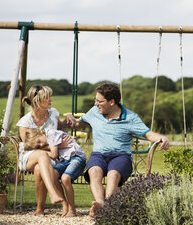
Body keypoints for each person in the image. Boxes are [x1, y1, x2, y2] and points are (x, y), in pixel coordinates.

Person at [71, 83, 170, 218]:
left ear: (112, 102)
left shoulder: (130, 117)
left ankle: (108, 206)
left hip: (120, 156)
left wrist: (162, 137)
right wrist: (67, 122)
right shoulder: (95, 112)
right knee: (94, 171)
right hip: (99, 155)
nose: (95, 104)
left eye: (99, 101)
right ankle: (100, 204)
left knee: (113, 174)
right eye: (96, 100)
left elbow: (148, 134)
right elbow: (79, 123)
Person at [16, 84, 76, 216]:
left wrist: (69, 117)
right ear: (37, 100)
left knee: (39, 169)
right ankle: (53, 193)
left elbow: (60, 126)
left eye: (50, 97)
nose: (51, 100)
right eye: (47, 97)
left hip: (50, 157)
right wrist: (57, 146)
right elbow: (31, 146)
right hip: (29, 156)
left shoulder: (53, 113)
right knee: (41, 155)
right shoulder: (25, 122)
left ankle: (40, 209)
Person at [24, 128, 86, 217]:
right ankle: (64, 204)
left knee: (65, 178)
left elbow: (53, 155)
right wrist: (55, 146)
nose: (41, 144)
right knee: (52, 174)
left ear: (40, 132)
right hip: (64, 160)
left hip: (76, 157)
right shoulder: (46, 138)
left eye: (39, 141)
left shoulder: (51, 134)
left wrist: (39, 151)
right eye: (38, 146)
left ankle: (72, 209)